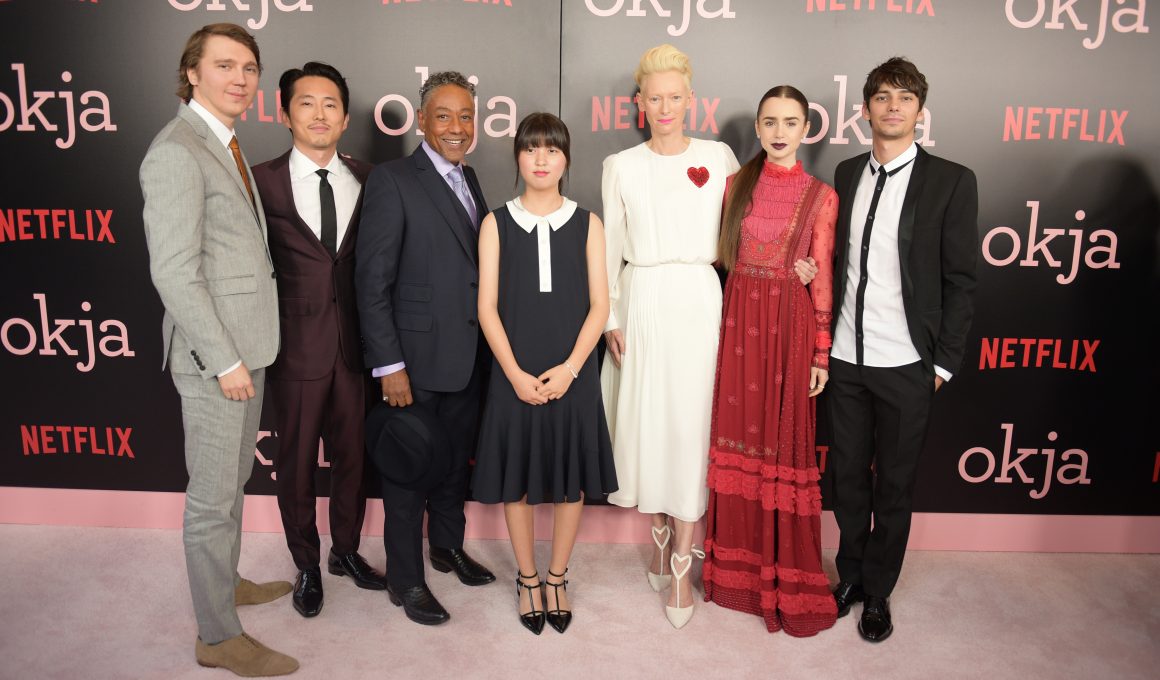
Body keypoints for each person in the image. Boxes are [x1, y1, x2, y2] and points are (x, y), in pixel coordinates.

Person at [139, 23, 296, 676]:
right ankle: (216, 636)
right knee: (210, 501)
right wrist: (225, 361)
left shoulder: (223, 141)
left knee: (232, 485)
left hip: (245, 349)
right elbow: (175, 273)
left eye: (249, 68)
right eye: (225, 65)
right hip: (217, 361)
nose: (240, 78)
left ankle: (224, 584)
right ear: (192, 72)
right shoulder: (176, 151)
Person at [828, 57, 978, 643]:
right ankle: (849, 576)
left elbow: (961, 281)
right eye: (883, 97)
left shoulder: (951, 181)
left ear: (920, 111)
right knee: (846, 480)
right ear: (865, 109)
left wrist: (941, 364)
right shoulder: (845, 173)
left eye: (905, 97)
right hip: (845, 357)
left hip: (907, 363)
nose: (893, 106)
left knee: (893, 484)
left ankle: (879, 591)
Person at [599, 43, 738, 630]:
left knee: (691, 425)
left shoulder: (719, 157)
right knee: (649, 424)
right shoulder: (621, 165)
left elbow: (745, 232)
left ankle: (683, 557)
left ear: (690, 99)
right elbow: (608, 249)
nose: (664, 107)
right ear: (640, 102)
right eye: (654, 98)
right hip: (642, 299)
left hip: (700, 299)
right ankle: (659, 532)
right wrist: (610, 317)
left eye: (674, 97)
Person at [355, 70, 496, 627]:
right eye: (444, 116)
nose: (457, 127)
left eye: (466, 116)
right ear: (421, 122)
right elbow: (372, 280)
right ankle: (406, 579)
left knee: (453, 467)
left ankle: (446, 546)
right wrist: (389, 364)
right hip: (412, 363)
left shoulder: (470, 177)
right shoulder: (392, 180)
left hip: (467, 357)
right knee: (408, 473)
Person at [472, 113, 618, 636]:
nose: (540, 159)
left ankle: (557, 576)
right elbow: (487, 308)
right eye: (531, 148)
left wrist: (572, 369)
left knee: (568, 481)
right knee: (517, 479)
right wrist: (513, 373)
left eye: (551, 150)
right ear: (517, 156)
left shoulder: (588, 223)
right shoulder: (495, 223)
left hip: (571, 373)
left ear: (566, 159)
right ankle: (528, 579)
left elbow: (600, 306)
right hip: (514, 371)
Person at [701, 86, 838, 637]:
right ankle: (732, 574)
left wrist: (821, 350)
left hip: (789, 329)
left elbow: (822, 275)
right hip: (739, 326)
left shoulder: (821, 196)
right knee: (738, 439)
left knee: (781, 448)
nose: (779, 132)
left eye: (790, 122)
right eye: (770, 122)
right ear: (757, 128)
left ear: (806, 128)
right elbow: (716, 255)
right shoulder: (734, 184)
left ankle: (783, 576)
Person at [251, 61, 385, 619]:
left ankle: (345, 551)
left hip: (356, 346)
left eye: (331, 104)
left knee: (353, 458)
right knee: (298, 462)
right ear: (285, 114)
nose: (320, 114)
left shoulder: (372, 178)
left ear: (346, 117)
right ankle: (306, 562)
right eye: (306, 103)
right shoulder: (259, 182)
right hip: (294, 348)